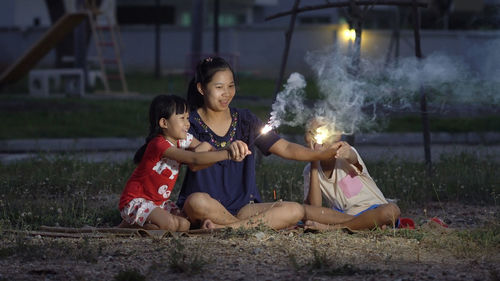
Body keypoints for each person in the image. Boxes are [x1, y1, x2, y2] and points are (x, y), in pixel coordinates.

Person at [177, 56, 340, 230]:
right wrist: (226, 151)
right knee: (196, 202)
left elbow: (284, 147)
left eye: (231, 86)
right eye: (219, 87)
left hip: (244, 208)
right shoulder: (189, 123)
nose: (227, 93)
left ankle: (227, 227)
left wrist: (318, 154)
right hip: (206, 206)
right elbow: (194, 163)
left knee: (294, 210)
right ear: (201, 88)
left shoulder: (245, 120)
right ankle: (244, 226)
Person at [118, 94, 249, 232]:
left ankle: (142, 224)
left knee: (184, 225)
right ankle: (132, 224)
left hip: (159, 203)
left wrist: (208, 146)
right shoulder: (159, 144)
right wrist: (227, 154)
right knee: (172, 225)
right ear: (164, 123)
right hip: (137, 200)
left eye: (187, 118)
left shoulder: (183, 140)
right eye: (182, 118)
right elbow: (194, 159)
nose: (187, 123)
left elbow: (208, 152)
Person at [301, 117, 401, 231]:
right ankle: (365, 224)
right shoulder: (310, 170)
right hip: (343, 216)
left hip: (374, 209)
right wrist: (314, 160)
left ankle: (333, 229)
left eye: (322, 131)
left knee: (391, 211)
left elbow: (352, 156)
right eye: (313, 133)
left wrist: (348, 153)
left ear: (336, 136)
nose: (318, 138)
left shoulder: (344, 154)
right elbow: (315, 207)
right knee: (304, 211)